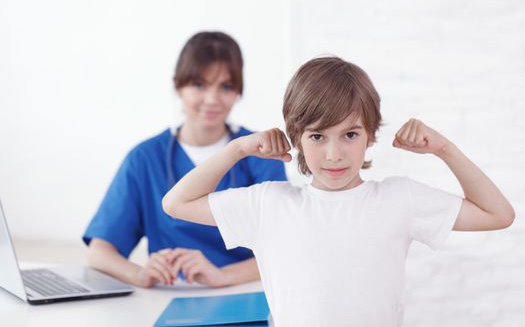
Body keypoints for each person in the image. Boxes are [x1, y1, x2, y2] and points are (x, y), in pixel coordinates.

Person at [162, 56, 515, 326]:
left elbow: (497, 214)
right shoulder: (270, 204)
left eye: (350, 134)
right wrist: (236, 149)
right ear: (296, 137)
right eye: (317, 136)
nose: (334, 154)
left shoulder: (399, 199)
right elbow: (176, 203)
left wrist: (444, 148)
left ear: (370, 135)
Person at [83, 31, 287, 288]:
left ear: (238, 92)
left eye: (225, 86)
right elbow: (98, 252)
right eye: (199, 85)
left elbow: (283, 247)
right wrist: (140, 275)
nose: (212, 99)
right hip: (168, 297)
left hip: (242, 293)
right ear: (178, 86)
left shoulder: (261, 153)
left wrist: (222, 276)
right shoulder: (144, 159)